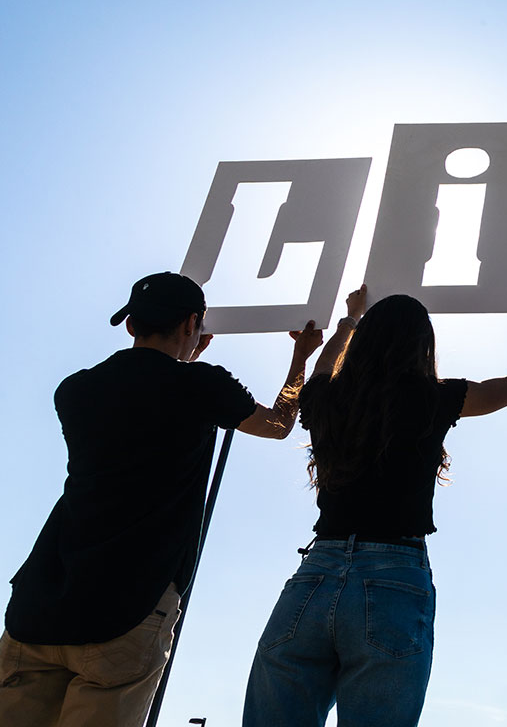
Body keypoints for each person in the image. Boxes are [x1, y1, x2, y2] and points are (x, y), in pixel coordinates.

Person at [0, 271, 323, 727]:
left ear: (130, 325)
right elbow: (279, 424)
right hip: (127, 609)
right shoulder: (202, 386)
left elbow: (139, 403)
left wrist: (188, 360)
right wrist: (300, 358)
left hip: (40, 604)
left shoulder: (74, 390)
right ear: (192, 324)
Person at [242, 283, 507, 727]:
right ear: (423, 346)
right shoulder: (434, 397)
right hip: (394, 578)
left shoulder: (328, 397)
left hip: (316, 574)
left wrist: (348, 321)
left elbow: (324, 369)